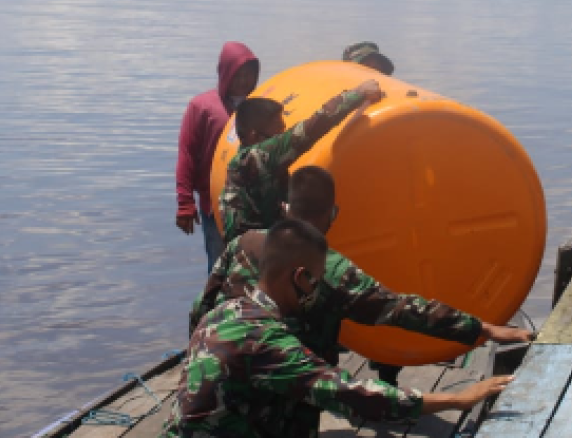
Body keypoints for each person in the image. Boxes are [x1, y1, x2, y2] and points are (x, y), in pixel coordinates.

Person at [191, 167, 531, 434]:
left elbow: (201, 307)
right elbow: (402, 313)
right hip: (291, 398)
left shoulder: (242, 247)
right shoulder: (331, 273)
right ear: (333, 213)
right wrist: (479, 336)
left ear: (285, 205)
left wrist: (199, 374)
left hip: (236, 390)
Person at [161, 219, 512, 437]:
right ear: (300, 277)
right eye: (315, 280)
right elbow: (351, 394)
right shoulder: (265, 340)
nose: (317, 289)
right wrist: (458, 399)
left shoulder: (222, 313)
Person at [219, 80, 382, 244]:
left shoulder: (254, 164)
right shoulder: (255, 157)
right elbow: (312, 128)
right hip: (253, 260)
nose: (281, 138)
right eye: (277, 135)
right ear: (253, 135)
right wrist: (357, 94)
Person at [177, 41, 259, 270]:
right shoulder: (202, 107)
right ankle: (215, 305)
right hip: (215, 205)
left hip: (254, 205)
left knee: (252, 268)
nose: (244, 81)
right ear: (225, 73)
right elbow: (187, 154)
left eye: (250, 74)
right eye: (238, 74)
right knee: (220, 267)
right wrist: (185, 203)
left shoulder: (260, 106)